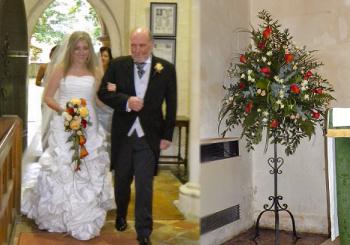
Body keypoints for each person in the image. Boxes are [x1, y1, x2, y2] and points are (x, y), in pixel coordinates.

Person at [21, 31, 115, 240]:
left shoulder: (96, 72)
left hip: (89, 126)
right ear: (71, 49)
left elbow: (98, 101)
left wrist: (114, 103)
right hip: (64, 125)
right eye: (77, 48)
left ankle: (85, 215)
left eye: (84, 48)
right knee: (62, 167)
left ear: (89, 50)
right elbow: (48, 97)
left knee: (87, 167)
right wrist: (66, 112)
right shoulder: (60, 70)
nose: (81, 52)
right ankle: (58, 215)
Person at [97, 27, 177, 245]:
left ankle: (144, 231)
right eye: (133, 45)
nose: (137, 50)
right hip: (123, 134)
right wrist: (126, 101)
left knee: (144, 184)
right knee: (122, 181)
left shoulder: (166, 69)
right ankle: (121, 214)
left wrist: (167, 135)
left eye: (141, 45)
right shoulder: (117, 65)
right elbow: (103, 92)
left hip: (149, 136)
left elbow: (171, 103)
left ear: (151, 45)